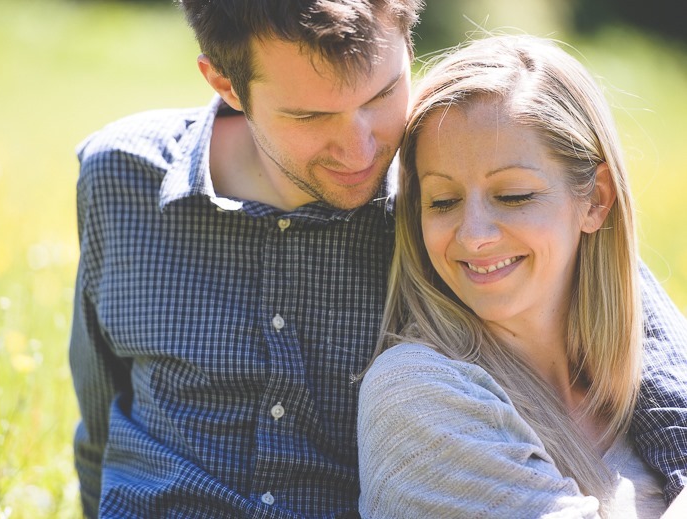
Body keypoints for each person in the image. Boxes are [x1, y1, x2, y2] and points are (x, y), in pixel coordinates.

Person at [68, 1, 687, 516]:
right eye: (310, 116)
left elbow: (652, 364)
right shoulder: (121, 177)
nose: (362, 147)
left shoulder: (443, 199)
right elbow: (99, 423)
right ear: (225, 83)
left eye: (384, 92)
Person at [357, 33, 687, 518]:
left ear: (595, 200)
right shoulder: (414, 396)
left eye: (513, 196)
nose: (473, 236)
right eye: (443, 202)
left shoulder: (650, 384)